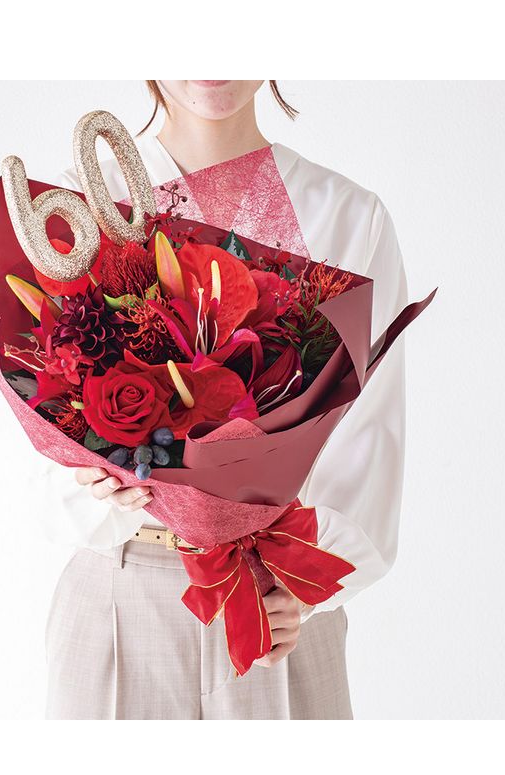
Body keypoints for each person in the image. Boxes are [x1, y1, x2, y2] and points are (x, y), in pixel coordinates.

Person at [41, 80, 408, 719]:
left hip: (273, 603)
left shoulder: (347, 217)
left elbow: (370, 433)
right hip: (120, 592)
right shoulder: (82, 207)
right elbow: (46, 407)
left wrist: (308, 586)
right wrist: (90, 488)